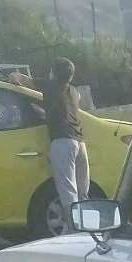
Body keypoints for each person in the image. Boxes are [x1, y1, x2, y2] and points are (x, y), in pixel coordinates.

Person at [44, 58, 87, 220]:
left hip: (63, 142)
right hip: (80, 142)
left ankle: (73, 231)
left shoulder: (50, 86)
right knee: (82, 193)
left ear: (53, 74)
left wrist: (14, 76)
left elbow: (18, 79)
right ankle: (85, 227)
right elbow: (61, 109)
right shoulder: (74, 92)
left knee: (68, 191)